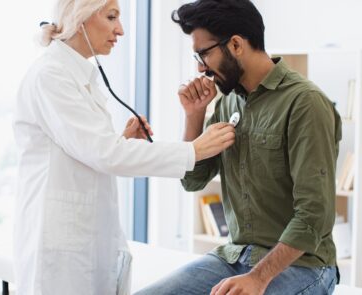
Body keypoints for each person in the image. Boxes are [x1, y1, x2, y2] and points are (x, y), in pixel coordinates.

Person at [12, 0, 235, 294]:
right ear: (80, 20)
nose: (121, 30)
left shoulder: (76, 75)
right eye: (112, 17)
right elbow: (104, 154)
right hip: (60, 250)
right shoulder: (51, 76)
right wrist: (195, 150)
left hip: (86, 238)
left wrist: (124, 142)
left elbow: (90, 151)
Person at [135, 0, 342, 294]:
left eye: (203, 54)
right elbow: (193, 181)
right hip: (235, 256)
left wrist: (258, 278)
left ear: (235, 45)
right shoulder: (227, 102)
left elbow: (314, 214)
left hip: (302, 264)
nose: (199, 68)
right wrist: (194, 116)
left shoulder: (305, 103)